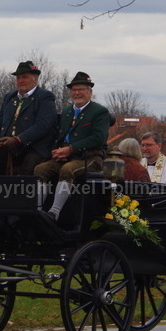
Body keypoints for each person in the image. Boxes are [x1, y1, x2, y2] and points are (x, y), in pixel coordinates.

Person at [34, 71, 111, 220]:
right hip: (67, 156)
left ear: (90, 92)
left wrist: (70, 150)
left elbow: (98, 138)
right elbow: (58, 136)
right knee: (40, 169)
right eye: (74, 90)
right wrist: (56, 152)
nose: (76, 93)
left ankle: (54, 213)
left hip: (90, 157)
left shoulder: (100, 112)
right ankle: (37, 211)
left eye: (81, 89)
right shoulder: (67, 111)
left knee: (67, 169)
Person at [0, 60, 57, 175]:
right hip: (9, 148)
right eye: (18, 78)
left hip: (33, 148)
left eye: (24, 77)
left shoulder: (45, 97)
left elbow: (42, 125)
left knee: (26, 168)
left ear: (35, 78)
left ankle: (18, 187)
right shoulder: (9, 98)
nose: (20, 81)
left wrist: (19, 139)